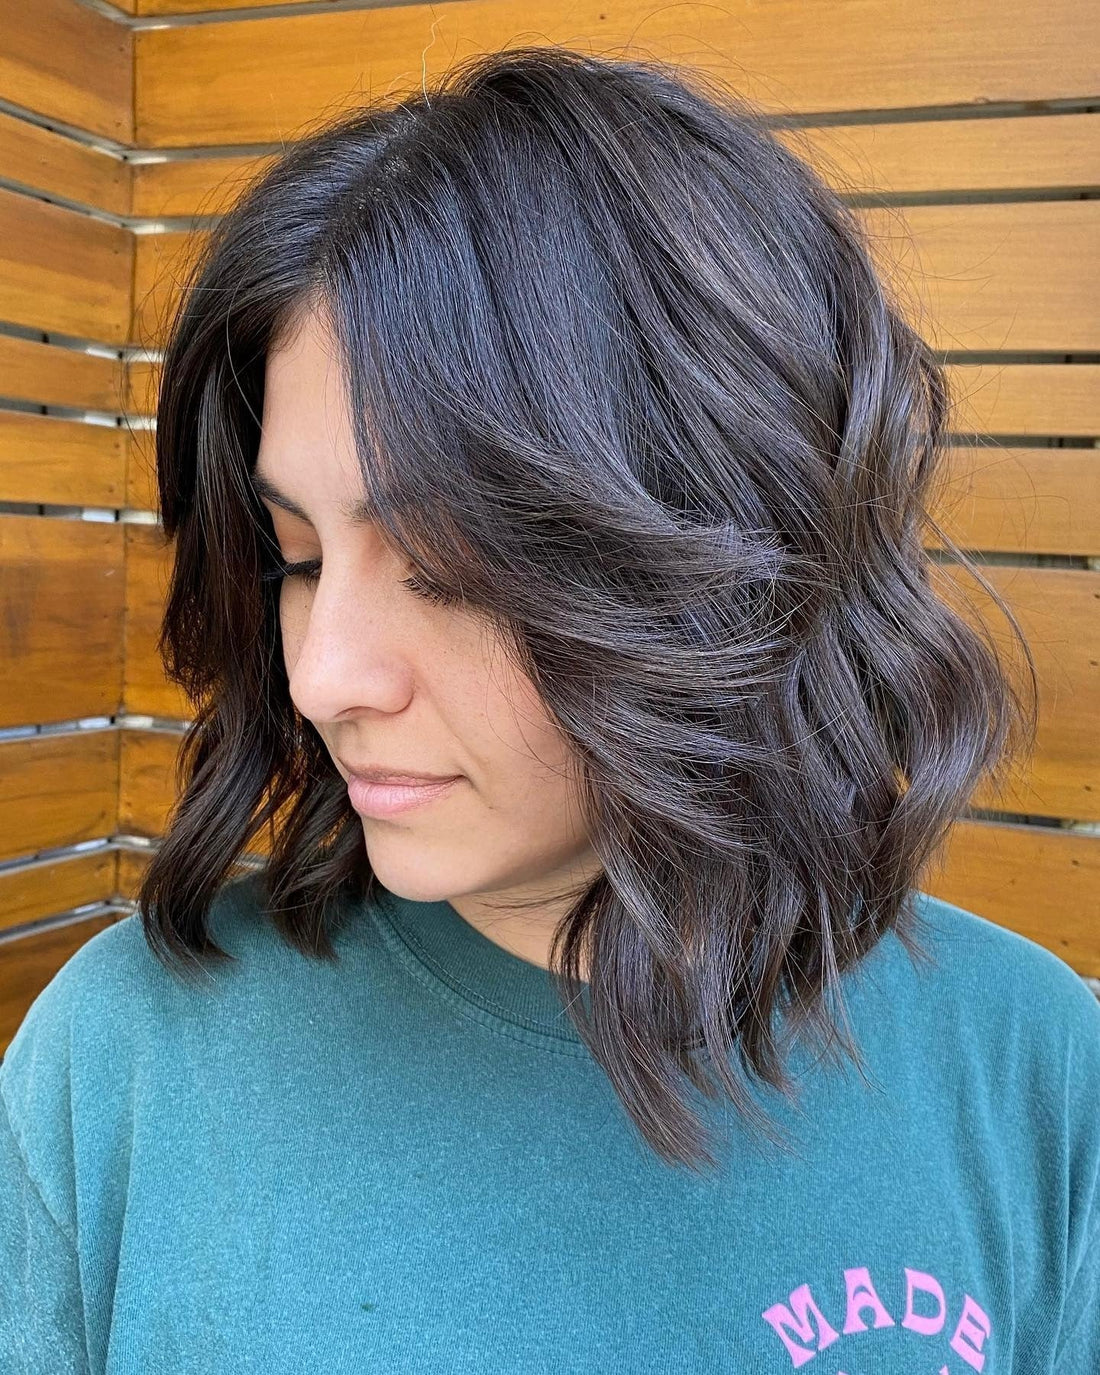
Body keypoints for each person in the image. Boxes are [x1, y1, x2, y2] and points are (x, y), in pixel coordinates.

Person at [1, 44, 1096, 1374]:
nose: (325, 675)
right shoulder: (122, 1062)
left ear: (731, 550)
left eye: (450, 569)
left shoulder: (1034, 1071)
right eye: (298, 558)